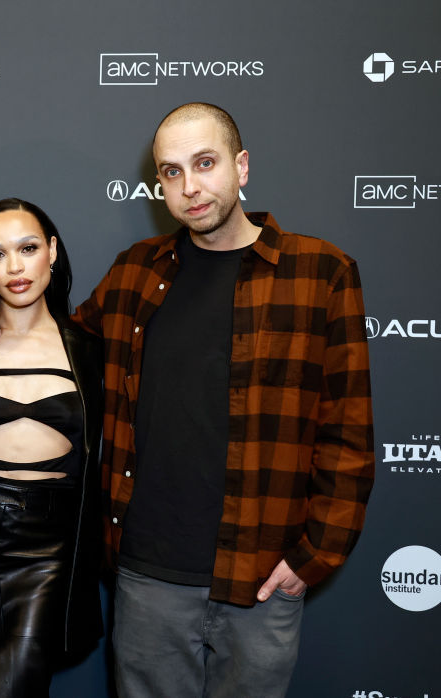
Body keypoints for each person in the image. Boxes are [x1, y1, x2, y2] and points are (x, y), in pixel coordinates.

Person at [72, 102, 374, 697]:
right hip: (147, 574)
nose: (189, 187)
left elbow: (350, 433)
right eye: (171, 171)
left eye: (204, 163)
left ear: (240, 167)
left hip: (260, 575)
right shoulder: (135, 271)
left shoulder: (321, 273)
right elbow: (50, 345)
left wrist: (311, 559)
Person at [0, 198, 103, 697]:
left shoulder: (91, 350)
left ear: (52, 251)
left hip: (49, 551)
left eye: (28, 248)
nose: (14, 267)